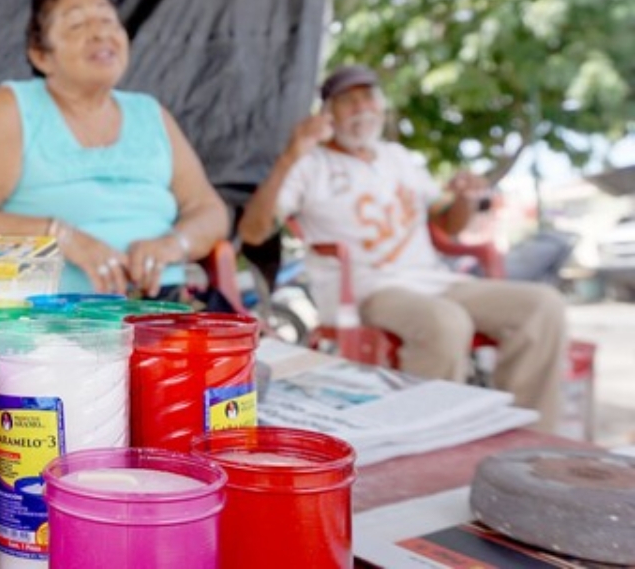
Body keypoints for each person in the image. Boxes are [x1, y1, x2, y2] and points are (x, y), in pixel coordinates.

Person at [238, 64, 565, 432]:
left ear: (381, 106)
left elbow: (447, 224)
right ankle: (429, 439)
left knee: (542, 305)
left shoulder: (398, 157)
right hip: (369, 290)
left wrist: (465, 198)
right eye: (348, 101)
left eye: (368, 98)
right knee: (445, 322)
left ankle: (526, 437)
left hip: (434, 280)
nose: (361, 108)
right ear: (327, 112)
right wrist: (290, 155)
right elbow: (252, 232)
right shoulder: (309, 164)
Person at [0, 0, 229, 297]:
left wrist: (174, 244)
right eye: (77, 25)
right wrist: (59, 236)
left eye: (109, 21)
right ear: (41, 55)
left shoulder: (151, 114)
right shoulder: (11, 108)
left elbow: (209, 210)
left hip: (160, 309)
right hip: (47, 317)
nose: (100, 34)